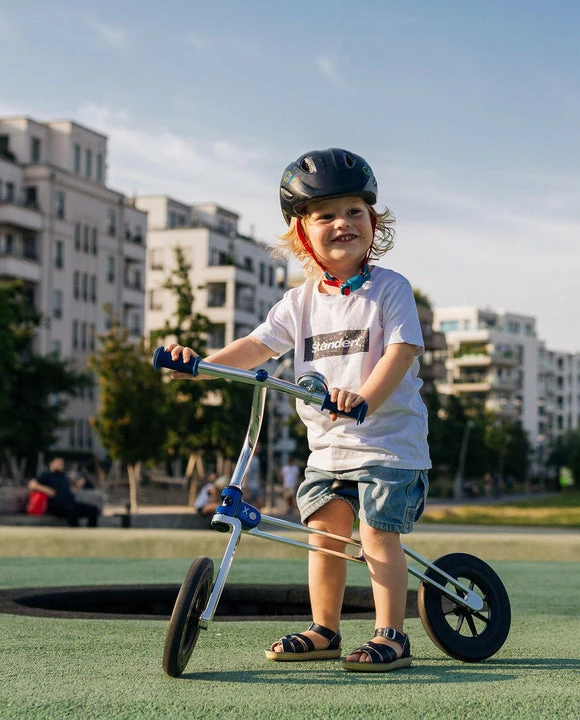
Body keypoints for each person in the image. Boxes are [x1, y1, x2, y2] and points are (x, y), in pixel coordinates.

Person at [164, 148, 429, 673]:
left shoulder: (390, 289)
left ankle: (391, 634)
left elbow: (400, 353)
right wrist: (202, 366)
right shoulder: (299, 302)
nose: (343, 223)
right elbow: (257, 347)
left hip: (387, 444)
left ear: (373, 222)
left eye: (355, 211)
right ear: (301, 233)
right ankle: (325, 629)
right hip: (328, 448)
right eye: (325, 215)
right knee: (325, 533)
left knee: (376, 531)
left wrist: (364, 399)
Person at [28, 457, 99, 527]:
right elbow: (32, 485)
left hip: (70, 503)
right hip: (55, 506)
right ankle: (76, 531)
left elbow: (73, 486)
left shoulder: (64, 476)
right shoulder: (46, 475)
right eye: (59, 463)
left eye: (62, 464)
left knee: (93, 510)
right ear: (52, 464)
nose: (61, 465)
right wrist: (47, 490)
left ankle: (90, 531)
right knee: (72, 511)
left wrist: (79, 484)